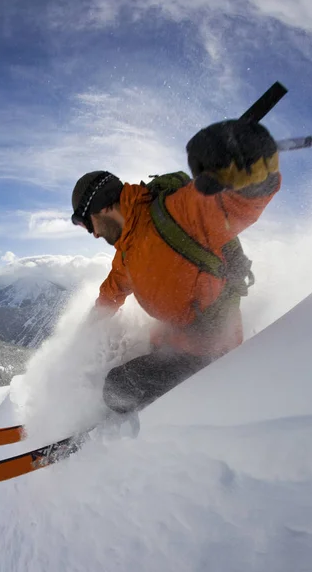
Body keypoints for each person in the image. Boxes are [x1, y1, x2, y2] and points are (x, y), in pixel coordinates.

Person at [71, 119, 281, 422]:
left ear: (102, 208)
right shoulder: (127, 250)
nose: (90, 233)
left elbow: (237, 203)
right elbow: (111, 291)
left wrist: (251, 165)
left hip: (211, 354)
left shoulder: (177, 212)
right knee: (121, 356)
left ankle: (145, 427)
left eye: (85, 223)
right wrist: (86, 334)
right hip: (173, 343)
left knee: (116, 387)